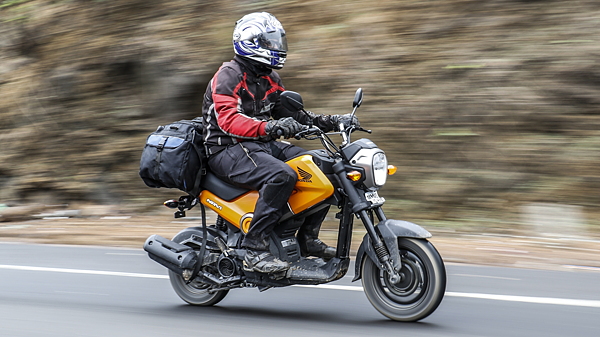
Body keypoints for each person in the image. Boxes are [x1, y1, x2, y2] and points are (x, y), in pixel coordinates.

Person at [201, 12, 357, 274]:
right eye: (270, 43)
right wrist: (270, 127)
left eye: (277, 42)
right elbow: (229, 121)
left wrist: (332, 121)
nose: (276, 48)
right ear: (250, 42)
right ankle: (253, 248)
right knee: (281, 175)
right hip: (226, 148)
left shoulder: (269, 77)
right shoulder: (228, 75)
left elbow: (294, 115)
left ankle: (307, 239)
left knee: (320, 167)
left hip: (258, 143)